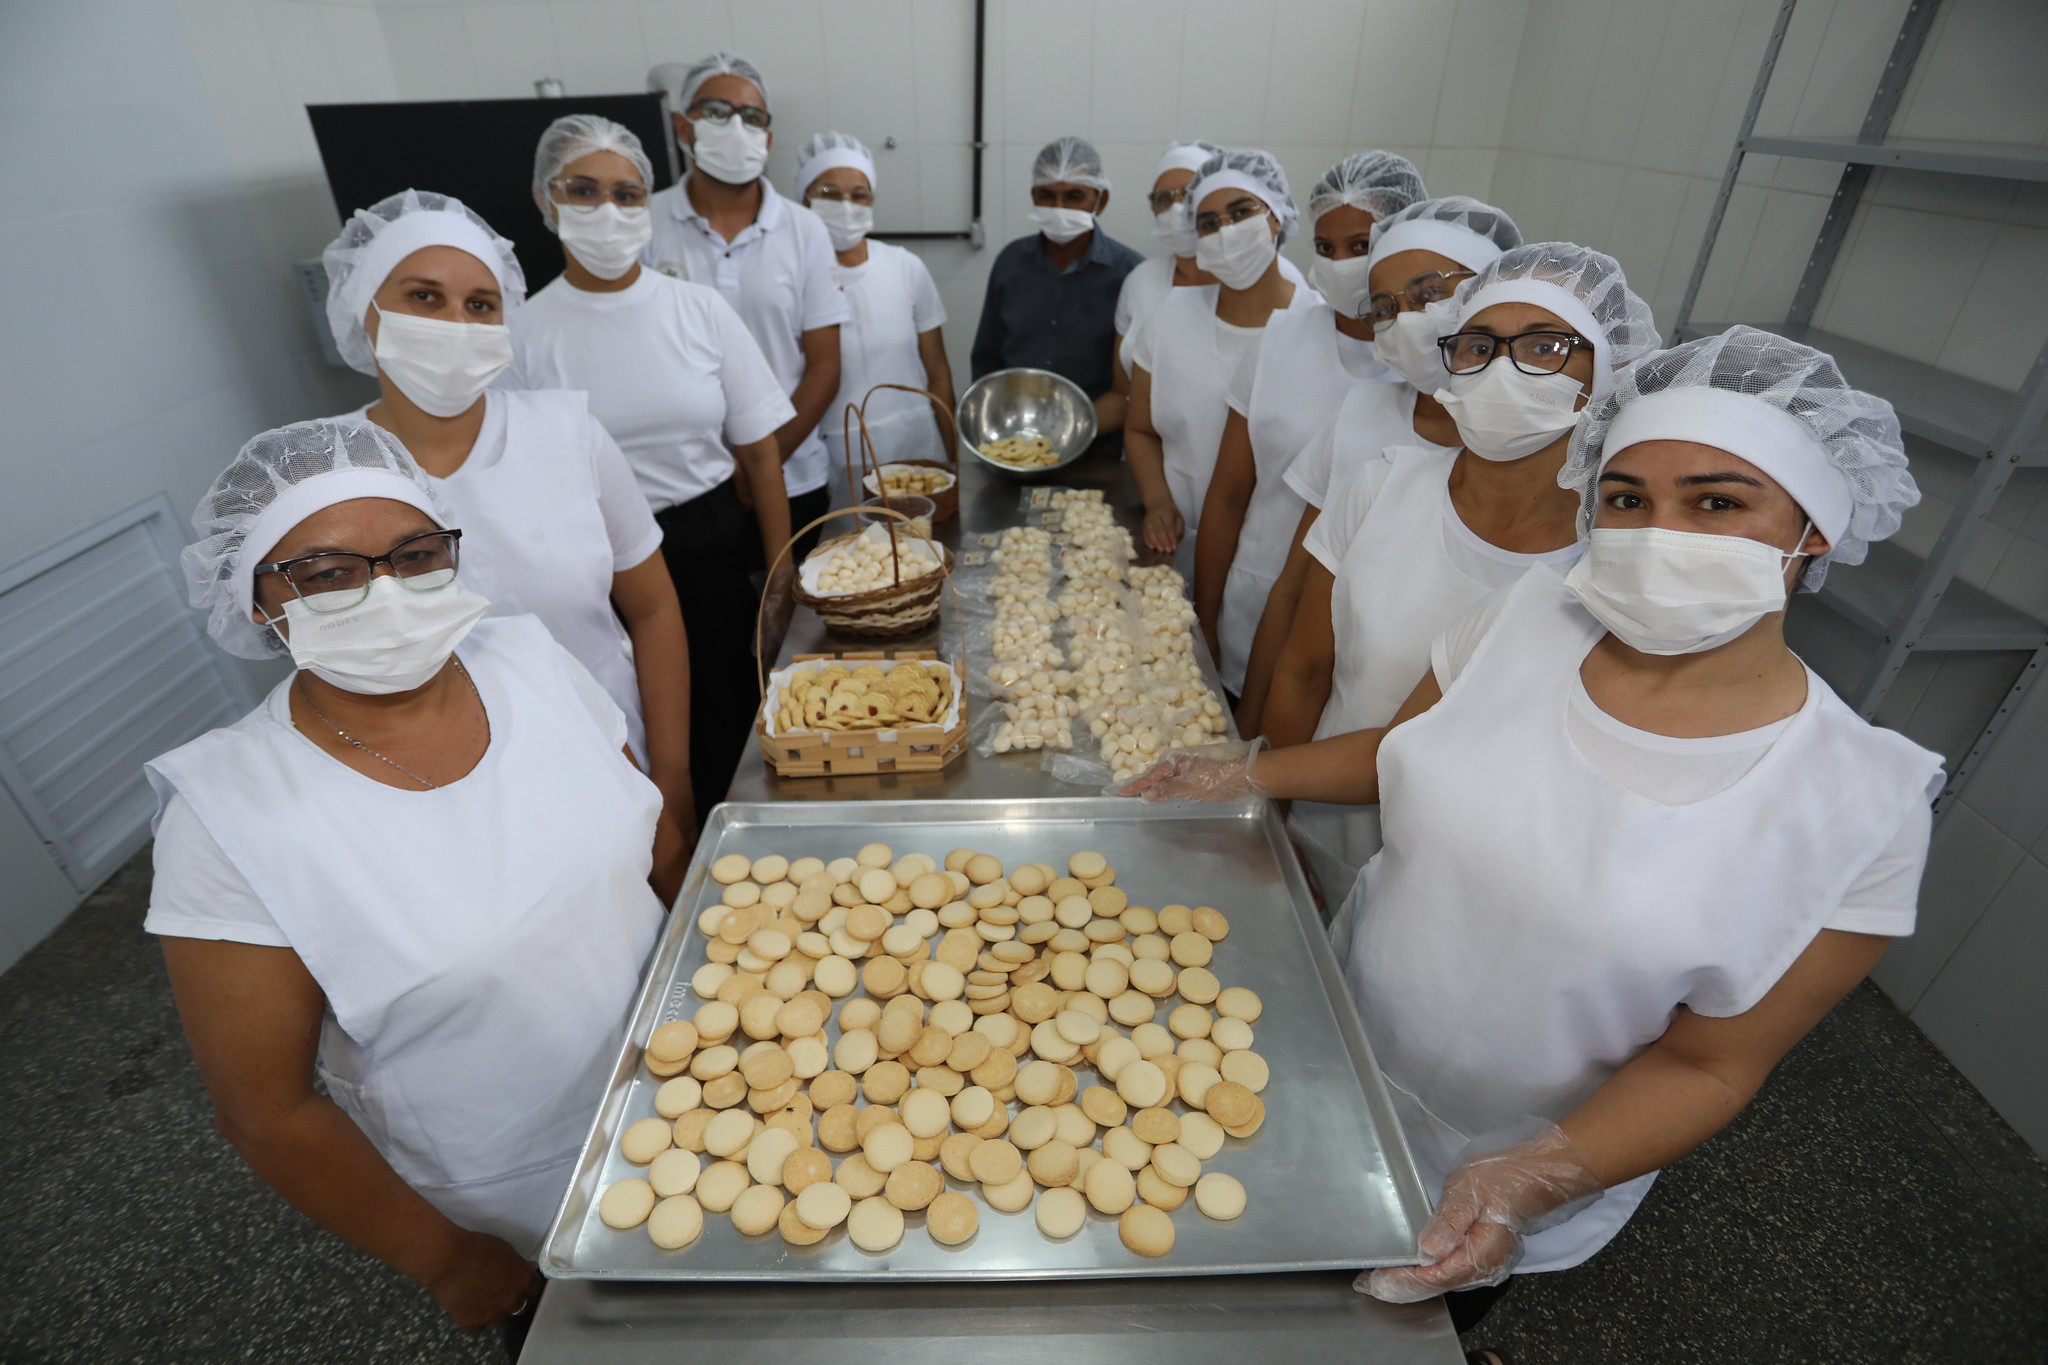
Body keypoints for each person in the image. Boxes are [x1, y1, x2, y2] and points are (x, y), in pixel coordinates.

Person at [1127, 327, 1939, 1335]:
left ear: (1811, 530)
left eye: (1717, 500)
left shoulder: (1863, 811)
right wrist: (1245, 770)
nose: (1658, 532)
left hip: (1518, 1142)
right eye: (1626, 498)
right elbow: (1401, 748)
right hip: (1328, 1040)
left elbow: (1711, 1064)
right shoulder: (1522, 617)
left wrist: (1530, 1178)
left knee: (1409, 1329)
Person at [147, 419, 683, 1337]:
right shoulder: (229, 814)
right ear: (257, 603)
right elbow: (267, 1110)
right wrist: (449, 1259)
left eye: (415, 553)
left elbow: (654, 843)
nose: (384, 592)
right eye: (324, 573)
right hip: (528, 1202)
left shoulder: (532, 663)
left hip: (700, 1087)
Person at [1261, 242, 1657, 903]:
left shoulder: (1607, 560)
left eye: (1544, 346)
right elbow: (1302, 670)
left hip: (1463, 888)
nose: (1502, 369)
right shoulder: (1384, 484)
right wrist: (1267, 822)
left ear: (1608, 368)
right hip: (1322, 828)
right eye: (1478, 345)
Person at [317, 187, 696, 834]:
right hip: (445, 797)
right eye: (424, 296)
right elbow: (332, 674)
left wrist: (673, 772)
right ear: (364, 307)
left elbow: (655, 608)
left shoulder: (569, 434)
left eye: (480, 304)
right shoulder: (329, 476)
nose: (455, 324)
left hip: (614, 755)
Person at [505, 115, 795, 822]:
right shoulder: (523, 332)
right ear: (546, 201)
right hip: (591, 560)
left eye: (627, 195)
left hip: (711, 545)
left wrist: (780, 573)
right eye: (584, 190)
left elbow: (759, 452)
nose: (608, 212)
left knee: (731, 721)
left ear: (648, 206)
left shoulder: (698, 310)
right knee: (620, 729)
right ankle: (659, 862)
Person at [1237, 195, 1521, 733]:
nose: (1408, 321)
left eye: (1430, 294)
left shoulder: (1536, 452)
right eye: (1387, 309)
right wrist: (1250, 741)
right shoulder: (1361, 417)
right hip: (1328, 731)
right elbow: (1293, 595)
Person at [1192, 151, 1426, 695]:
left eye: (1360, 247)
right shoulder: (1279, 340)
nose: (1341, 264)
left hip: (1366, 636)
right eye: (1325, 248)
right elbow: (1227, 496)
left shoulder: (1427, 369)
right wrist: (1203, 622)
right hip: (1253, 603)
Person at [644, 52, 847, 555]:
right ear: (683, 127)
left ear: (768, 138)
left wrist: (764, 460)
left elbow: (824, 366)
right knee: (714, 629)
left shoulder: (803, 230)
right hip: (685, 486)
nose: (736, 127)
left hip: (793, 474)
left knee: (799, 621)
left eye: (752, 117)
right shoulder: (645, 222)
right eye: (716, 112)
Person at [1125, 147, 1320, 576]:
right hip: (1175, 544)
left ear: (1276, 216)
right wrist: (1158, 502)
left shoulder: (1317, 328)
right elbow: (1139, 429)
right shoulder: (1170, 318)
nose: (1226, 232)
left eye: (1241, 212)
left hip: (1279, 563)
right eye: (1208, 223)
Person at [1110, 140, 1312, 467]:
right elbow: (1128, 400)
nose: (1176, 209)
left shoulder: (1295, 298)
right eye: (1164, 198)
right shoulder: (1144, 284)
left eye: (1186, 194)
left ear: (1276, 216)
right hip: (1157, 480)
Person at [794, 131, 956, 510]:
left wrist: (953, 461)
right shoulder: (793, 277)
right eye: (830, 194)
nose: (846, 206)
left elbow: (939, 374)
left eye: (858, 195)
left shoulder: (904, 267)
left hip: (918, 445)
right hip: (839, 451)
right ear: (805, 199)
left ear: (872, 201)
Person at [970, 136, 1143, 434]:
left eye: (1075, 196)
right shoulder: (1011, 262)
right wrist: (994, 423)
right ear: (1033, 196)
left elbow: (1133, 382)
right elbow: (988, 357)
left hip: (1099, 442)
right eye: (1047, 195)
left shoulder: (1130, 273)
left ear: (1100, 201)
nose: (1059, 207)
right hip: (1015, 436)